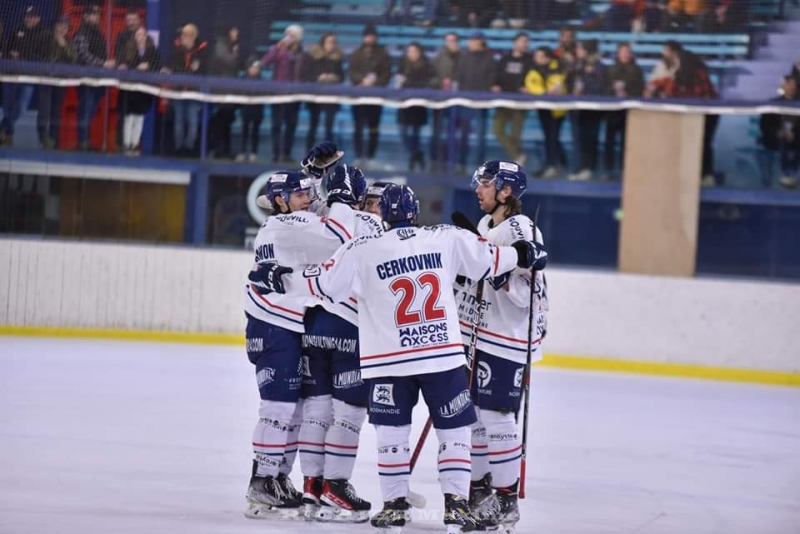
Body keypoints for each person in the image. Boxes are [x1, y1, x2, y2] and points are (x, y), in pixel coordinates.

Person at [249, 182, 547, 534]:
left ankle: (394, 506)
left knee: (393, 434)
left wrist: (280, 279)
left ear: (382, 214)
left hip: (390, 360)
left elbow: (321, 283)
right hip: (442, 356)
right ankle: (456, 507)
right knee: (455, 432)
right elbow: (496, 260)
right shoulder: (445, 237)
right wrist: (525, 254)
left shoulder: (362, 248)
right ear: (415, 212)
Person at [243, 166, 363, 519]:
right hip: (274, 325)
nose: (309, 200)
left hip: (283, 325)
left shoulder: (286, 222)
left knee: (293, 410)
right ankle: (261, 480)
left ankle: (276, 478)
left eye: (309, 192)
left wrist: (312, 175)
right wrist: (341, 196)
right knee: (278, 408)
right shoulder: (288, 224)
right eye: (300, 194)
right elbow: (339, 235)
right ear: (280, 201)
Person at [453, 160, 547, 532]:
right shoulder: (485, 225)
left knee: (496, 417)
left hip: (506, 339)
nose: (478, 190)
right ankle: (480, 490)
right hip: (480, 334)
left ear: (505, 191)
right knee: (475, 417)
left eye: (486, 184)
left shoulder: (521, 227)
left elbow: (530, 292)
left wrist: (498, 273)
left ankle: (506, 500)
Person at [296, 164, 383, 523]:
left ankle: (311, 488)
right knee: (348, 413)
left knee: (316, 410)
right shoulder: (374, 226)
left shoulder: (316, 220)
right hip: (351, 328)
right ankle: (335, 487)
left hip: (312, 324)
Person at [1, 5, 49, 147]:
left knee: (21, 107)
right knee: (7, 106)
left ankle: (3, 127)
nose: (30, 19)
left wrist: (22, 56)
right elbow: (7, 49)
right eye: (28, 16)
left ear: (38, 19)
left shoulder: (44, 34)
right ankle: (8, 135)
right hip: (11, 75)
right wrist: (12, 54)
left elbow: (43, 55)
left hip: (29, 76)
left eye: (33, 17)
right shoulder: (17, 30)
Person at [348, 25, 391, 168]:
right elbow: (351, 72)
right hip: (359, 97)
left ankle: (371, 156)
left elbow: (387, 74)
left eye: (372, 36)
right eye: (368, 36)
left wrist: (375, 82)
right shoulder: (356, 54)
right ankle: (358, 155)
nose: (370, 38)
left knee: (374, 127)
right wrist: (361, 80)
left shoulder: (383, 55)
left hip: (375, 97)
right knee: (358, 127)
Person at [452, 32, 496, 172]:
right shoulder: (464, 57)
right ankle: (461, 164)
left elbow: (492, 78)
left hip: (481, 102)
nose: (470, 43)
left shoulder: (489, 58)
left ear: (480, 42)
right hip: (465, 102)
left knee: (481, 136)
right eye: (470, 40)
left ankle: (481, 166)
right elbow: (458, 76)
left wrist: (484, 93)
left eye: (473, 40)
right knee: (463, 134)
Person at [74, 4, 116, 151]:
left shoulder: (98, 32)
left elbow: (101, 52)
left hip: (99, 79)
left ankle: (85, 140)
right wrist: (103, 63)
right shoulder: (82, 32)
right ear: (86, 16)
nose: (96, 17)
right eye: (93, 14)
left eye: (97, 14)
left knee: (90, 110)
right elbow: (83, 54)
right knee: (85, 110)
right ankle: (82, 142)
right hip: (86, 78)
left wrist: (106, 64)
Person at [262, 24, 306, 163]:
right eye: (287, 35)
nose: (288, 38)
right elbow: (265, 62)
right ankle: (276, 153)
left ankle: (287, 153)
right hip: (278, 93)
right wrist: (277, 48)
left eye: (292, 35)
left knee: (291, 125)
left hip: (294, 95)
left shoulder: (301, 53)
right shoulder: (278, 50)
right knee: (276, 124)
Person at [164, 23, 208, 156]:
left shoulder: (201, 50)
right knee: (178, 121)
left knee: (193, 122)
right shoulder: (176, 49)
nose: (182, 37)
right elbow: (173, 67)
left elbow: (202, 70)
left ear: (192, 37)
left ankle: (189, 149)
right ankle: (179, 149)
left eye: (185, 35)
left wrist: (189, 71)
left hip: (193, 92)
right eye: (182, 35)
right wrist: (189, 70)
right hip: (178, 91)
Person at [525, 47, 567, 178]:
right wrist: (544, 93)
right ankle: (556, 163)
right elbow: (531, 84)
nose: (536, 58)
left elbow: (560, 84)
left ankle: (554, 164)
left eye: (539, 56)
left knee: (553, 137)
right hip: (543, 108)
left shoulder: (558, 67)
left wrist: (552, 90)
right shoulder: (533, 69)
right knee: (549, 137)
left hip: (558, 109)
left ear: (547, 57)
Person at [568, 40, 606, 182]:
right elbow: (570, 81)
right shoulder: (577, 65)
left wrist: (590, 76)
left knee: (589, 139)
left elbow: (600, 87)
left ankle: (589, 168)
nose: (577, 51)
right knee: (578, 140)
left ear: (587, 51)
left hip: (592, 108)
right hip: (576, 107)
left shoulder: (599, 66)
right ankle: (578, 168)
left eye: (580, 48)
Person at [492, 32, 532, 166]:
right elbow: (497, 75)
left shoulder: (530, 60)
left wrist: (527, 88)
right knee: (497, 130)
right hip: (504, 100)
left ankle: (516, 162)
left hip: (520, 102)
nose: (525, 44)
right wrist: (495, 85)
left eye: (526, 41)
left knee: (516, 134)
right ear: (515, 42)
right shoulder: (505, 59)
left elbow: (533, 78)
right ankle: (518, 156)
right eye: (522, 41)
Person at [605, 43, 644, 179]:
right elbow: (604, 88)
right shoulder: (610, 69)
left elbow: (640, 88)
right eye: (623, 51)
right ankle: (608, 169)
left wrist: (627, 92)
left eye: (627, 52)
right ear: (618, 53)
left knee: (626, 142)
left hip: (629, 111)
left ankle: (625, 169)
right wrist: (613, 90)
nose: (625, 54)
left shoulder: (637, 70)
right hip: (612, 111)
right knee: (609, 141)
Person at [118, 27, 159, 155]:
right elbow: (123, 64)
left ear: (146, 36)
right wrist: (136, 67)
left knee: (139, 117)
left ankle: (134, 145)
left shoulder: (153, 51)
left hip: (143, 90)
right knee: (129, 117)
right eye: (138, 35)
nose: (140, 37)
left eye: (142, 34)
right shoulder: (128, 49)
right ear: (134, 37)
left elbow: (157, 65)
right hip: (130, 90)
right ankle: (126, 144)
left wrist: (148, 66)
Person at [37, 16, 77, 150]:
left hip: (60, 81)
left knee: (56, 109)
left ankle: (53, 137)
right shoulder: (45, 38)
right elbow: (41, 54)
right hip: (46, 79)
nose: (62, 29)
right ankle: (43, 135)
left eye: (65, 27)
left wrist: (64, 46)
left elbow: (73, 58)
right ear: (55, 26)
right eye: (60, 25)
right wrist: (56, 43)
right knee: (44, 108)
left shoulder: (69, 42)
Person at [303, 33, 344, 151]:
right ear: (323, 43)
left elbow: (341, 76)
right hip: (315, 96)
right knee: (313, 126)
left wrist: (334, 78)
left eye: (333, 42)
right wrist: (319, 77)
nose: (332, 44)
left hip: (331, 97)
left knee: (329, 127)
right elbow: (308, 74)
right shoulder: (313, 57)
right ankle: (309, 151)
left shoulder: (337, 59)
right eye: (329, 42)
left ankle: (328, 153)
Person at [397, 42, 434, 172]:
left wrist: (408, 82)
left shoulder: (426, 65)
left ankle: (414, 159)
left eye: (414, 51)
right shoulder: (403, 64)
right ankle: (417, 154)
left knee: (415, 134)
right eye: (409, 51)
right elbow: (399, 81)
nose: (411, 54)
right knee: (403, 133)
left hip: (418, 106)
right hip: (404, 104)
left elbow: (425, 83)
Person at [759, 76, 799, 189]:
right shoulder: (773, 103)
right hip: (776, 136)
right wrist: (779, 132)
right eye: (789, 83)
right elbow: (765, 125)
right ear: (783, 85)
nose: (792, 87)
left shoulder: (798, 103)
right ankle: (787, 173)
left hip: (795, 136)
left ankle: (792, 172)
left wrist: (793, 133)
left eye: (794, 84)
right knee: (783, 140)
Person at [209, 27, 242, 159]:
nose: (236, 35)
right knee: (221, 121)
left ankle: (226, 150)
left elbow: (237, 66)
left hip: (232, 91)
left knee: (227, 121)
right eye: (234, 32)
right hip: (221, 91)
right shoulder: (221, 45)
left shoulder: (236, 46)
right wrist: (235, 54)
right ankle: (218, 149)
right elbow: (227, 61)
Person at [430, 32, 460, 169]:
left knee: (453, 132)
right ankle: (435, 160)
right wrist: (440, 83)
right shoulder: (438, 57)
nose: (451, 43)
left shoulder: (463, 57)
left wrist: (454, 83)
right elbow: (431, 75)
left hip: (457, 100)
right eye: (448, 40)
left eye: (453, 40)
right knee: (437, 131)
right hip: (439, 99)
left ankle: (452, 160)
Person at [239, 58, 265, 162]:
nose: (254, 70)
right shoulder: (243, 79)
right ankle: (241, 152)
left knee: (255, 131)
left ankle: (254, 152)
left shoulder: (262, 80)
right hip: (246, 109)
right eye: (252, 67)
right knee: (244, 130)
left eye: (256, 68)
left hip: (257, 110)